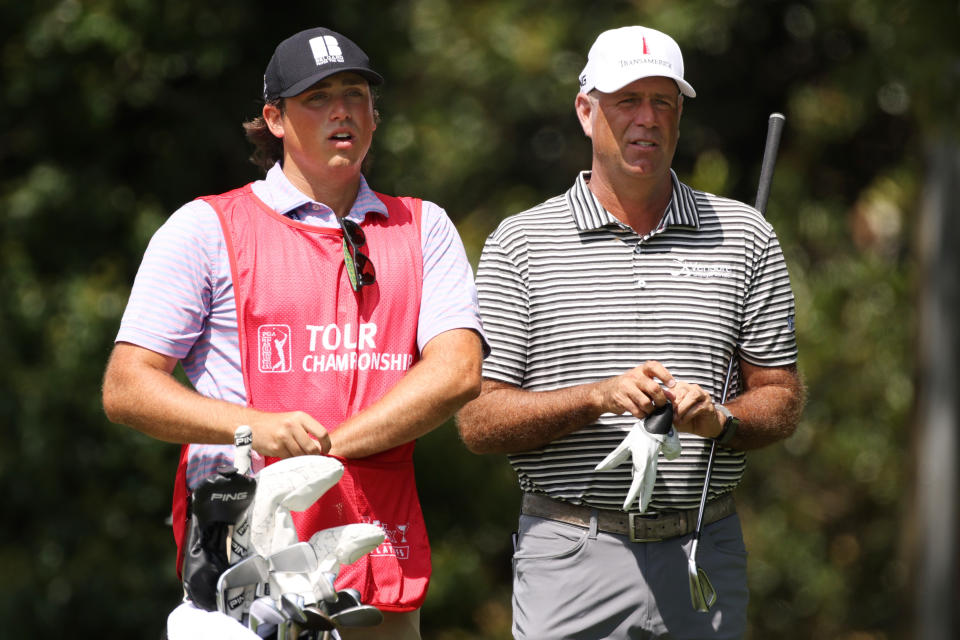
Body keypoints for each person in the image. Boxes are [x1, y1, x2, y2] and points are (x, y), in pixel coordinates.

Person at [102, 26, 486, 639]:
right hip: (246, 566)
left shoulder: (423, 225)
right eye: (318, 97)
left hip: (377, 560)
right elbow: (126, 388)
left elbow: (458, 371)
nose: (342, 110)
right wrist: (257, 428)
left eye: (355, 93)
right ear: (274, 120)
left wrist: (323, 450)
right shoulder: (204, 227)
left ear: (374, 113)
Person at [457, 25, 805, 640]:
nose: (647, 118)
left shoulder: (745, 235)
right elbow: (479, 423)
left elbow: (780, 396)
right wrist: (596, 397)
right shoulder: (520, 244)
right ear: (586, 112)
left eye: (663, 101)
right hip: (569, 552)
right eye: (627, 101)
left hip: (705, 550)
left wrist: (721, 421)